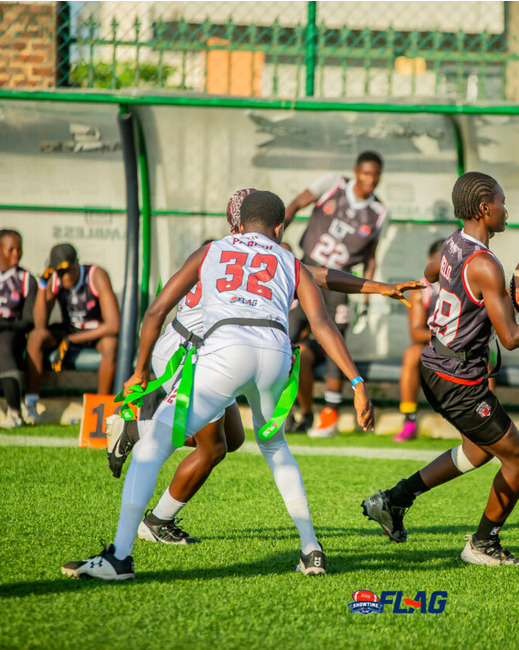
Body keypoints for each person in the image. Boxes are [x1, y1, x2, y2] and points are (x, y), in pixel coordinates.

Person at [62, 190, 377, 581]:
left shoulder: (212, 250)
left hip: (223, 349)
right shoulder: (291, 261)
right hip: (276, 353)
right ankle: (311, 550)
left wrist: (140, 371)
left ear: (239, 223)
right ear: (280, 228)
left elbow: (157, 310)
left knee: (155, 444)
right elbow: (322, 324)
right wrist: (357, 382)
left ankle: (119, 557)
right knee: (274, 445)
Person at [105, 189, 420, 546]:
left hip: (216, 351)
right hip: (189, 350)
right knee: (207, 446)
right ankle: (142, 471)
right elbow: (314, 278)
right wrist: (141, 371)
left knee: (230, 440)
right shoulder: (233, 252)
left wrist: (379, 288)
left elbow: (318, 275)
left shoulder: (226, 250)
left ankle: (149, 487)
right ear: (266, 225)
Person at [362, 172, 519, 566]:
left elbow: (430, 273)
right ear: (484, 208)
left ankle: (393, 500)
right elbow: (511, 337)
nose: (506, 209)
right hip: (457, 381)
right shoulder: (486, 264)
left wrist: (476, 299)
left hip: (436, 365)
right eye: (502, 202)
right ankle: (482, 545)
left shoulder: (454, 243)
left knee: (478, 451)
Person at [284, 151, 387, 437]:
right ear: (356, 171)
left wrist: (366, 297)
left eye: (376, 174)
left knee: (335, 347)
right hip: (307, 272)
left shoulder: (379, 212)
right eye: (366, 173)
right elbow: (295, 204)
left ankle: (329, 416)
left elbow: (371, 257)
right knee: (284, 338)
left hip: (338, 283)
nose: (370, 179)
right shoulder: (333, 184)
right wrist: (275, 236)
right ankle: (285, 411)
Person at [24, 243, 119, 423]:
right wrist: (43, 285)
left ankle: (100, 410)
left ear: (76, 263)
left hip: (95, 332)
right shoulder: (55, 281)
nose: (65, 276)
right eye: (60, 272)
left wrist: (70, 339)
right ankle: (31, 406)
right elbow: (39, 324)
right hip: (70, 329)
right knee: (36, 337)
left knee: (110, 344)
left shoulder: (95, 275)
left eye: (69, 270)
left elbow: (113, 325)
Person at [393, 238, 445, 442]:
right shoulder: (421, 289)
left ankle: (487, 421)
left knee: (484, 359)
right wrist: (446, 337)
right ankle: (409, 419)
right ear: (429, 261)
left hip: (462, 346)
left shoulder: (465, 283)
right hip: (436, 345)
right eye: (438, 259)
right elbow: (416, 333)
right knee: (412, 354)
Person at [0, 229, 37, 428]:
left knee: (4, 343)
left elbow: (29, 320)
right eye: (11, 249)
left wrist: (4, 325)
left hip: (13, 332)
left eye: (19, 249)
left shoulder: (25, 279)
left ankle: (14, 411)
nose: (16, 253)